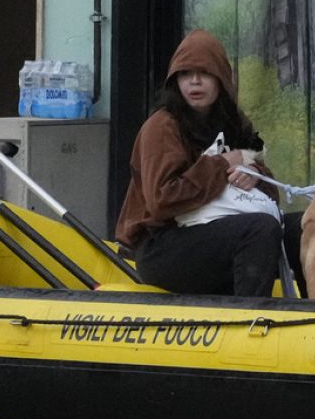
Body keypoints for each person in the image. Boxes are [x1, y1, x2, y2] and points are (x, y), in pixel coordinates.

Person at [115, 29, 302, 297]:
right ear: (175, 81)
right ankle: (251, 321)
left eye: (204, 74)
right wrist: (221, 163)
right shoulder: (162, 125)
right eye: (185, 74)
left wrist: (255, 175)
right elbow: (162, 200)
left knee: (304, 226)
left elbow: (270, 199)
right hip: (163, 246)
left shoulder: (233, 121)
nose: (194, 82)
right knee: (260, 229)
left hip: (217, 232)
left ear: (221, 80)